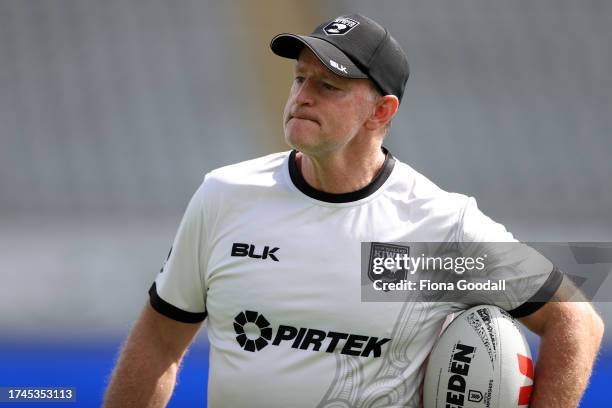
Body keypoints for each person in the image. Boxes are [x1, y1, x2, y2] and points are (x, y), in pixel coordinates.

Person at [103, 14, 603, 408]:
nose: (301, 97)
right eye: (300, 79)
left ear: (381, 112)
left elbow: (576, 321)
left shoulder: (439, 228)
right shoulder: (225, 195)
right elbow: (158, 341)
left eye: (329, 87)